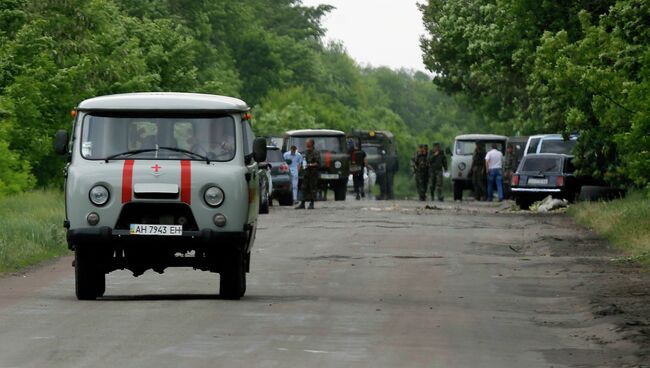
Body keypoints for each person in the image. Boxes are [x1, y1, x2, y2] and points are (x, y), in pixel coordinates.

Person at [295, 139, 320, 209]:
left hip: (313, 173)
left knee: (312, 188)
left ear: (311, 143)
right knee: (304, 187)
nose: (306, 144)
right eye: (306, 143)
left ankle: (312, 203)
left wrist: (310, 165)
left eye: (307, 143)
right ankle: (302, 203)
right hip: (306, 172)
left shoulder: (316, 152)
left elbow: (317, 163)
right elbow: (303, 160)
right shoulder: (306, 152)